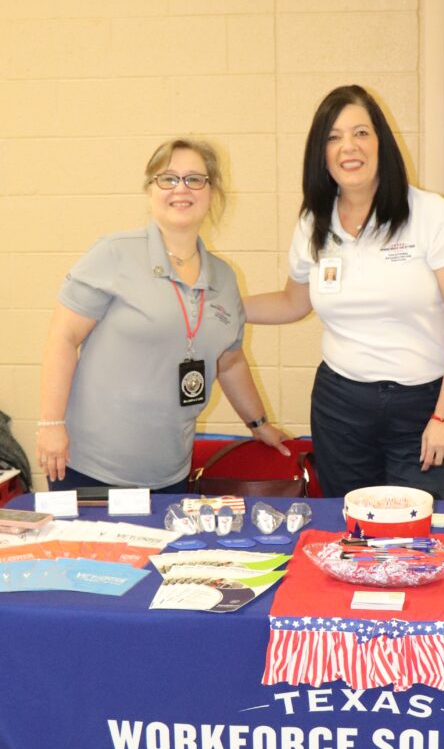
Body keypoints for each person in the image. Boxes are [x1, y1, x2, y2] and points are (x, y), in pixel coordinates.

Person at [244, 85, 444, 499]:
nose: (348, 147)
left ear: (380, 142)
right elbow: (292, 303)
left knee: (412, 524)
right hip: (341, 407)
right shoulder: (313, 222)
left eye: (360, 133)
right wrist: (214, 305)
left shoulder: (430, 213)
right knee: (349, 522)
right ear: (321, 153)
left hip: (423, 405)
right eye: (333, 137)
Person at [37, 138, 288, 492]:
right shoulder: (114, 254)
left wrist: (259, 424)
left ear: (211, 192)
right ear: (150, 189)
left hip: (169, 473)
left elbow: (230, 362)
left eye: (194, 179)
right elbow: (63, 338)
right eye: (168, 178)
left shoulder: (224, 278)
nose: (181, 189)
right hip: (90, 466)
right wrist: (51, 424)